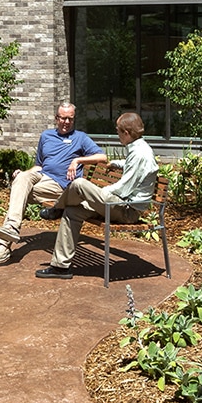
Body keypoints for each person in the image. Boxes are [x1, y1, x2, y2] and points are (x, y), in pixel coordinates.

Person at [35, 111, 159, 280]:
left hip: (126, 210)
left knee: (79, 184)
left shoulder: (140, 153)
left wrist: (100, 193)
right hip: (121, 204)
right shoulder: (138, 148)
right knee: (72, 212)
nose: (118, 135)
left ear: (126, 133)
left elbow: (125, 188)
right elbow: (133, 167)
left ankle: (57, 208)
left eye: (118, 131)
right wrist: (116, 163)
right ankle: (60, 267)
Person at [0, 102, 104, 265]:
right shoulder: (46, 136)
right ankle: (11, 229)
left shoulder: (80, 138)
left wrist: (78, 160)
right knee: (21, 179)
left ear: (74, 119)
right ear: (56, 118)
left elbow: (102, 157)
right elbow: (39, 166)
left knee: (19, 191)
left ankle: (3, 246)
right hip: (43, 177)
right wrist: (25, 174)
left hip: (62, 186)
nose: (66, 122)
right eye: (63, 118)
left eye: (70, 119)